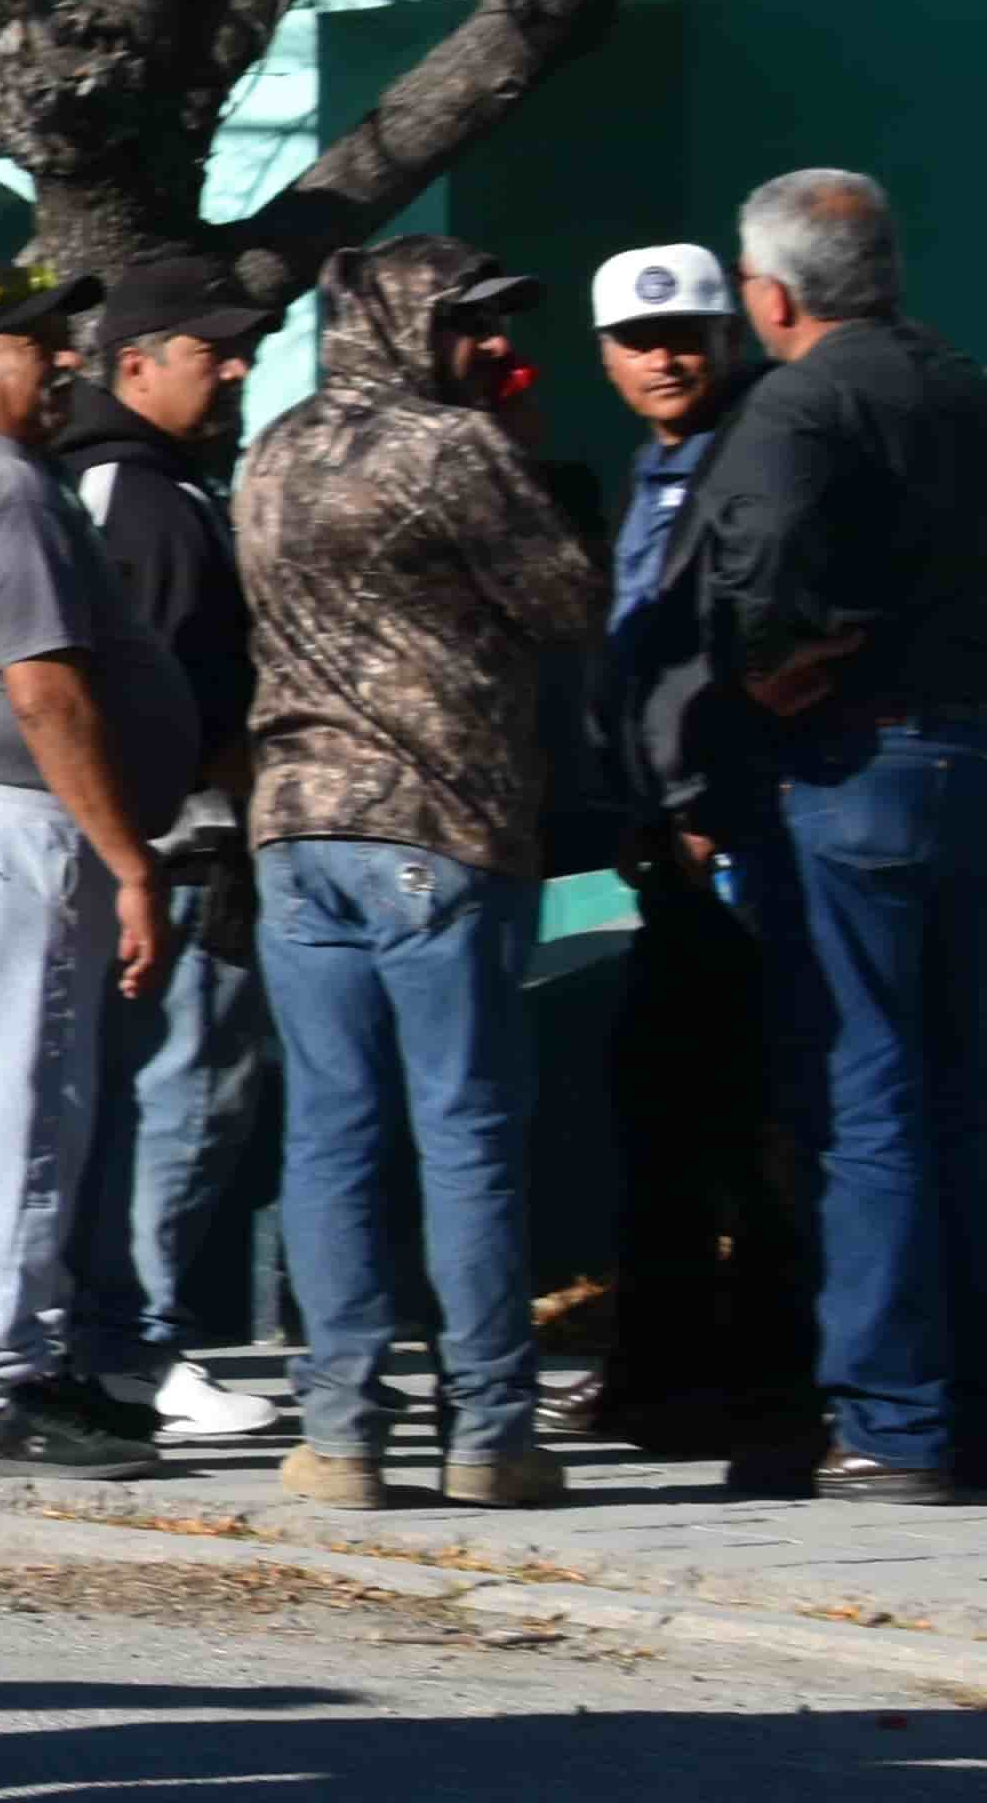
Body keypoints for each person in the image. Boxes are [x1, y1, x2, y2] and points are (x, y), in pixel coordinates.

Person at [232, 238, 608, 1510]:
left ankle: (341, 1434)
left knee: (331, 1133)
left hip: (296, 829)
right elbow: (570, 601)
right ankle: (491, 1433)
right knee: (464, 1129)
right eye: (469, 326)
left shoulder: (273, 450)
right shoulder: (454, 452)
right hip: (435, 826)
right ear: (406, 327)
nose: (491, 347)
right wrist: (528, 447)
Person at [686, 167, 987, 1505]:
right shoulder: (962, 389)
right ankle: (954, 1403)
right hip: (972, 755)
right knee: (960, 1095)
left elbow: (763, 602)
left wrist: (760, 694)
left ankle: (894, 1419)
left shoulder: (796, 408)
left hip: (858, 769)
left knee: (868, 1100)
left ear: (771, 294)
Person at [0, 260, 192, 1479]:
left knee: (22, 1102)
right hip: (10, 823)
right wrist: (129, 860)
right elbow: (46, 691)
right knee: (20, 1107)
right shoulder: (1, 482)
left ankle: (24, 1364)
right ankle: (1, 1386)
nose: (61, 361)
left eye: (63, 340)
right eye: (33, 344)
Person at [565, 241, 814, 1467]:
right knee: (663, 1114)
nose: (666, 359)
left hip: (755, 837)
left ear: (730, 337)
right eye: (639, 342)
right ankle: (660, 1375)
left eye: (688, 337)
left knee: (764, 1125)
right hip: (664, 839)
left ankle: (768, 1384)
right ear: (606, 356)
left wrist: (722, 784)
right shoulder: (651, 471)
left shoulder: (757, 460)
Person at [44, 252, 292, 1447]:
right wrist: (141, 845)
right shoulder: (123, 496)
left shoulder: (166, 485)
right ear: (135, 365)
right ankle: (127, 1345)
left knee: (189, 1095)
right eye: (212, 350)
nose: (236, 367)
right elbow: (103, 687)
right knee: (173, 1096)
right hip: (164, 856)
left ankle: (123, 1330)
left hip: (183, 848)